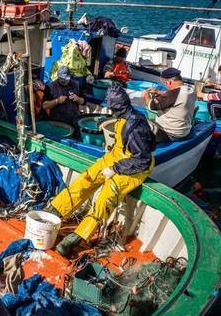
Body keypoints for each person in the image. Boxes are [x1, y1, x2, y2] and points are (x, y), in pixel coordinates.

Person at [46, 85, 155, 257]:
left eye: (111, 107)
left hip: (134, 167)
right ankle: (55, 211)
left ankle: (76, 237)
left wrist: (115, 169)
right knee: (86, 178)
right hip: (117, 156)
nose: (109, 110)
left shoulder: (136, 128)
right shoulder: (122, 117)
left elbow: (143, 160)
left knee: (106, 196)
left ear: (116, 107)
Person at [142, 67, 196, 142]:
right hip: (183, 131)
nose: (166, 86)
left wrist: (145, 96)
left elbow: (151, 105)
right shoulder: (190, 90)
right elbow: (175, 96)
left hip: (169, 133)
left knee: (139, 121)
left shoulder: (173, 94)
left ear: (169, 82)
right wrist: (158, 92)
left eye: (165, 83)